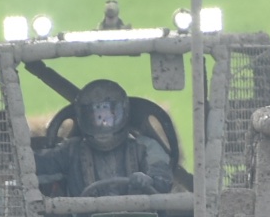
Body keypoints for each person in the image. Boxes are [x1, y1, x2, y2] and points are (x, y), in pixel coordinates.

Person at [33, 78, 173, 198]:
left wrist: (148, 180)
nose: (103, 125)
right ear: (83, 118)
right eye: (96, 118)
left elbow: (163, 180)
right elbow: (36, 167)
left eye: (108, 117)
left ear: (123, 114)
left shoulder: (146, 147)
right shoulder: (70, 150)